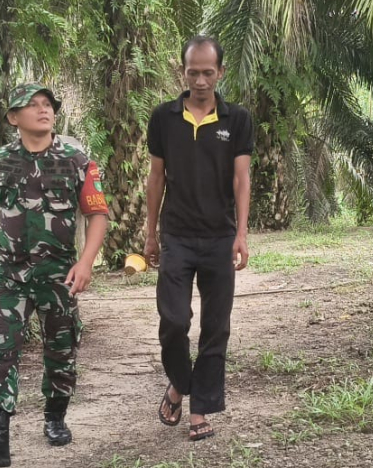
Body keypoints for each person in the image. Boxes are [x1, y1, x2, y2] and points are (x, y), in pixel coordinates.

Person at [0, 84, 109, 466]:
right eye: (33, 105)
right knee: (2, 350)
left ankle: (55, 416)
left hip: (59, 273)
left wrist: (86, 262)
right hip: (10, 273)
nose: (43, 109)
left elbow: (97, 214)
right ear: (13, 117)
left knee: (61, 350)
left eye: (47, 104)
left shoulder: (76, 159)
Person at [144, 36, 253, 441]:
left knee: (215, 326)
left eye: (209, 72)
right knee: (174, 321)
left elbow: (241, 178)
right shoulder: (163, 117)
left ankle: (199, 410)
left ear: (221, 72)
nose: (201, 80)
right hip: (176, 235)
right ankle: (179, 382)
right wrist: (150, 233)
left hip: (220, 236)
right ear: (183, 72)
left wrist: (241, 234)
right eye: (194, 73)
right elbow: (156, 177)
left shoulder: (237, 119)